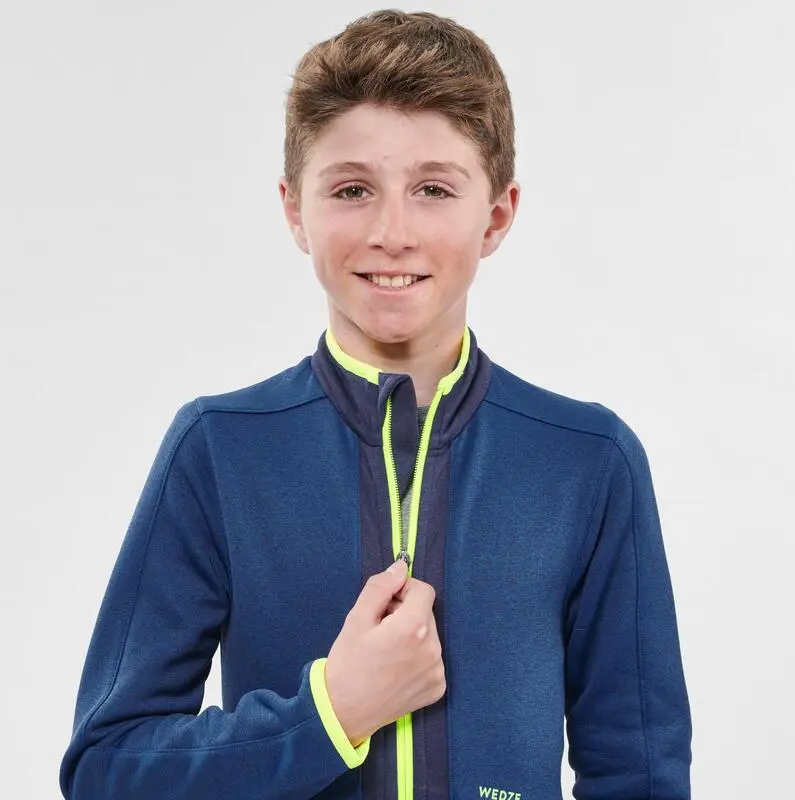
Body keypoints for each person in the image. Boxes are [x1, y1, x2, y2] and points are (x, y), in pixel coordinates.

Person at [59, 9, 692, 800]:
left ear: (497, 214)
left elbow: (640, 775)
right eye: (352, 189)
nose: (393, 232)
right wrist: (331, 714)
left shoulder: (588, 461)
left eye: (434, 189)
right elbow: (107, 767)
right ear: (295, 209)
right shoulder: (219, 449)